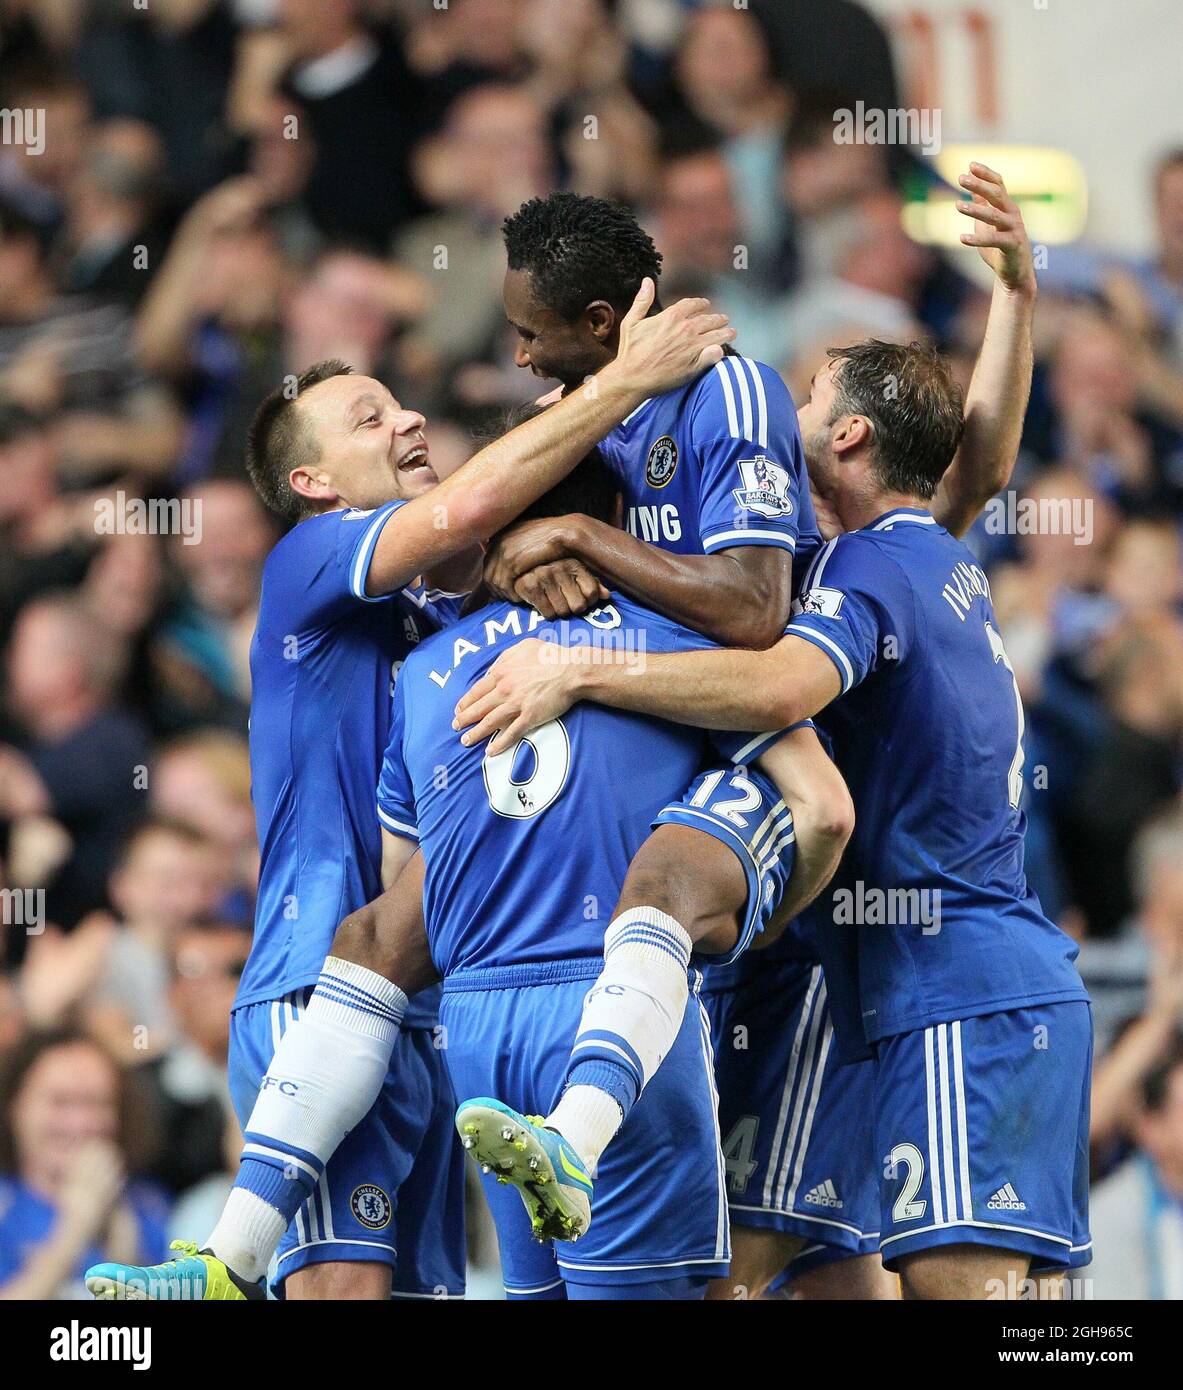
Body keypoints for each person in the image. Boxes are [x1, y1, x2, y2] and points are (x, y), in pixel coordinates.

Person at [83, 278, 737, 1300]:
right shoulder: (308, 561)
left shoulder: (451, 629)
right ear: (313, 481)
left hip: (434, 1004)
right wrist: (625, 379)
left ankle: (223, 1261)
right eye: (368, 415)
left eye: (402, 403)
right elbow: (472, 504)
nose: (408, 418)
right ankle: (220, 1263)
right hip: (319, 981)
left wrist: (544, 554)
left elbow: (487, 533)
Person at [0, 1029, 167, 1299]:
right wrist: (74, 1228)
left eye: (97, 1103)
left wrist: (118, 1228)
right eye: (60, 1102)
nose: (80, 1124)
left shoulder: (149, 1204)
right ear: (15, 1106)